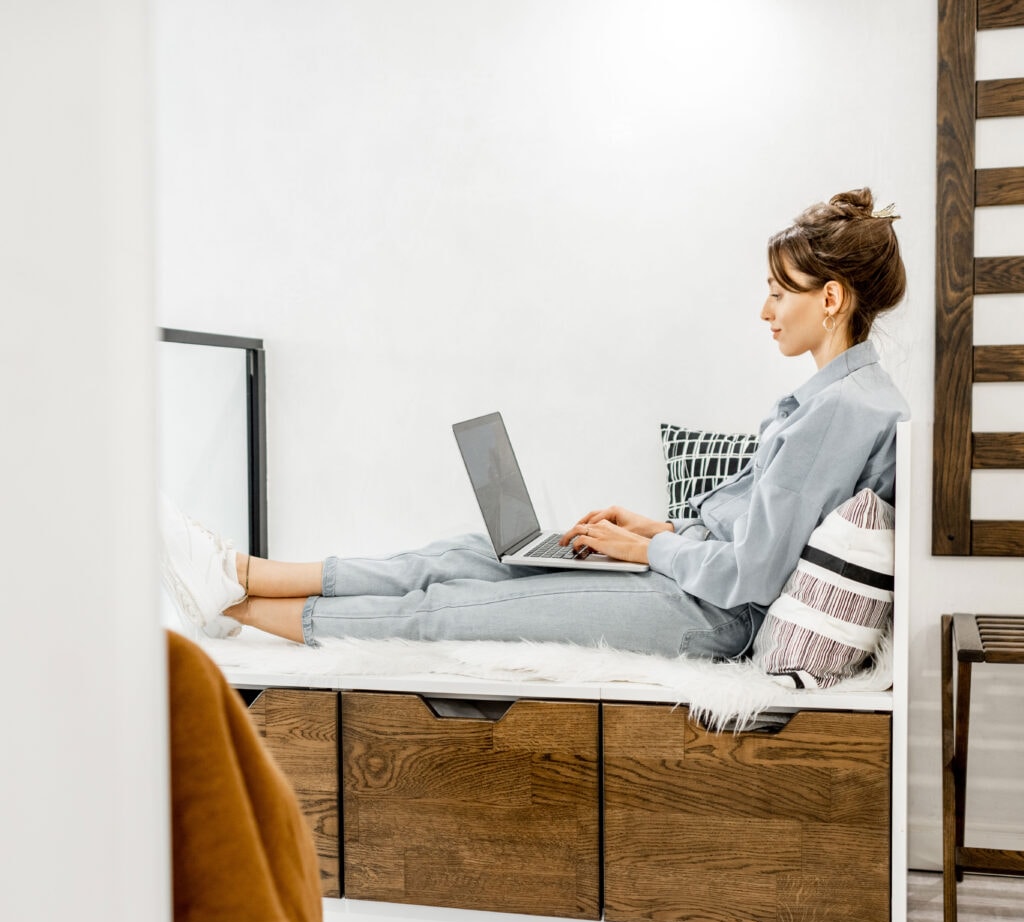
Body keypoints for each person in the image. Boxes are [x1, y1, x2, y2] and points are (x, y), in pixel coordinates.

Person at [161, 187, 909, 660]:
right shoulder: (844, 395)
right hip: (691, 578)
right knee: (465, 552)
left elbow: (750, 575)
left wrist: (645, 553)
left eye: (782, 292)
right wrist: (655, 531)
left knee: (450, 612)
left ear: (834, 299)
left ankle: (240, 606)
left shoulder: (843, 411)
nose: (766, 310)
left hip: (707, 614)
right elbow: (749, 537)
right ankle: (241, 573)